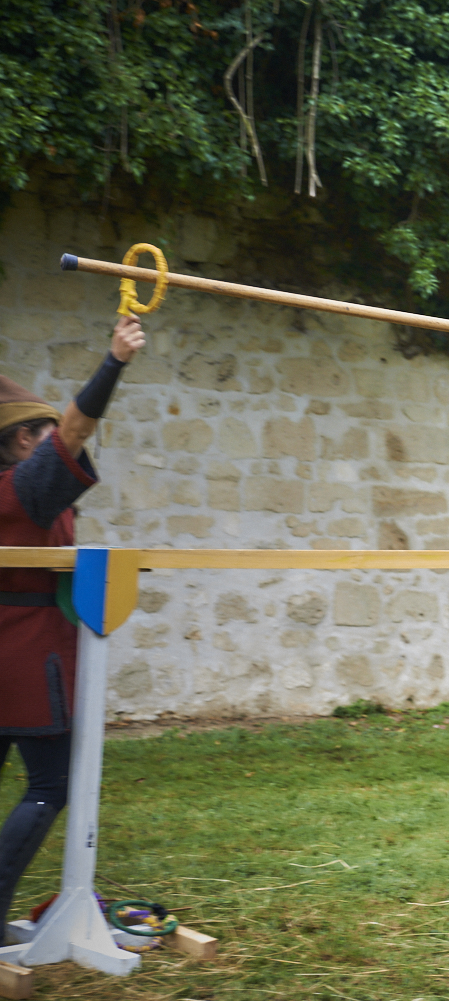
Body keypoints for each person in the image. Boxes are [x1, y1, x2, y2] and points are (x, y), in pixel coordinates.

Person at [0, 314, 144, 933]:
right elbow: (78, 427)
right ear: (18, 442)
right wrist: (115, 361)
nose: (53, 441)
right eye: (41, 433)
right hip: (26, 660)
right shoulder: (23, 488)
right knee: (50, 785)